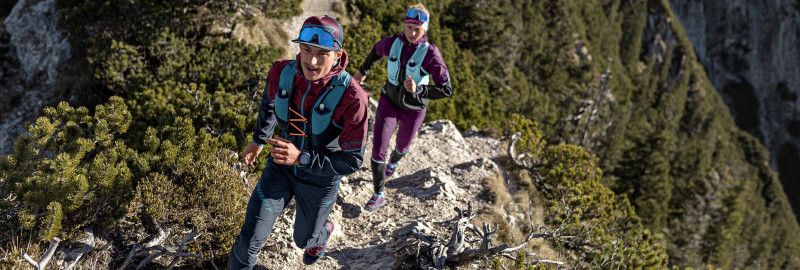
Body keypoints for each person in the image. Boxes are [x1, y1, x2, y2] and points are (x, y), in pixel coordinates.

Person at [228, 15, 368, 268]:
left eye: (322, 53)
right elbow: (269, 102)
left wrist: (302, 158)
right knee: (248, 241)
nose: (312, 61)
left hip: (320, 179)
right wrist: (258, 140)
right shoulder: (283, 72)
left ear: (338, 55)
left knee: (304, 240)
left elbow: (352, 160)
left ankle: (322, 233)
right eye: (306, 49)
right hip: (280, 167)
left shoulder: (353, 97)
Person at [353, 3, 453, 212]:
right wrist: (363, 71)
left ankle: (395, 161)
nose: (412, 33)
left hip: (414, 108)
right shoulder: (392, 44)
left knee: (402, 146)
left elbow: (446, 89)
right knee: (378, 147)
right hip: (389, 101)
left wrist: (419, 89)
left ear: (425, 30)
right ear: (404, 25)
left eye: (418, 29)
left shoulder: (430, 53)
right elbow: (375, 52)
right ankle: (378, 194)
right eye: (409, 27)